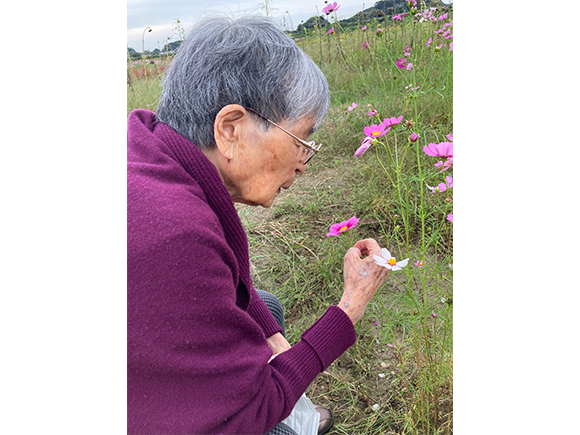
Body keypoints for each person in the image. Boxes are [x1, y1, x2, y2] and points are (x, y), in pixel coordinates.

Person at [127, 15, 390, 435]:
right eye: (302, 142)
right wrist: (351, 305)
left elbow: (233, 284)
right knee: (277, 427)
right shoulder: (175, 233)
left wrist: (277, 347)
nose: (304, 166)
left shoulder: (149, 147)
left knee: (264, 306)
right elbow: (247, 412)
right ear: (231, 129)